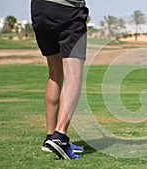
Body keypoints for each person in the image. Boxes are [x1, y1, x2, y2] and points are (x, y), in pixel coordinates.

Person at [31, 0, 89, 159]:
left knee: (55, 74)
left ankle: (50, 138)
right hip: (67, 10)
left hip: (39, 8)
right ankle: (60, 137)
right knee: (73, 73)